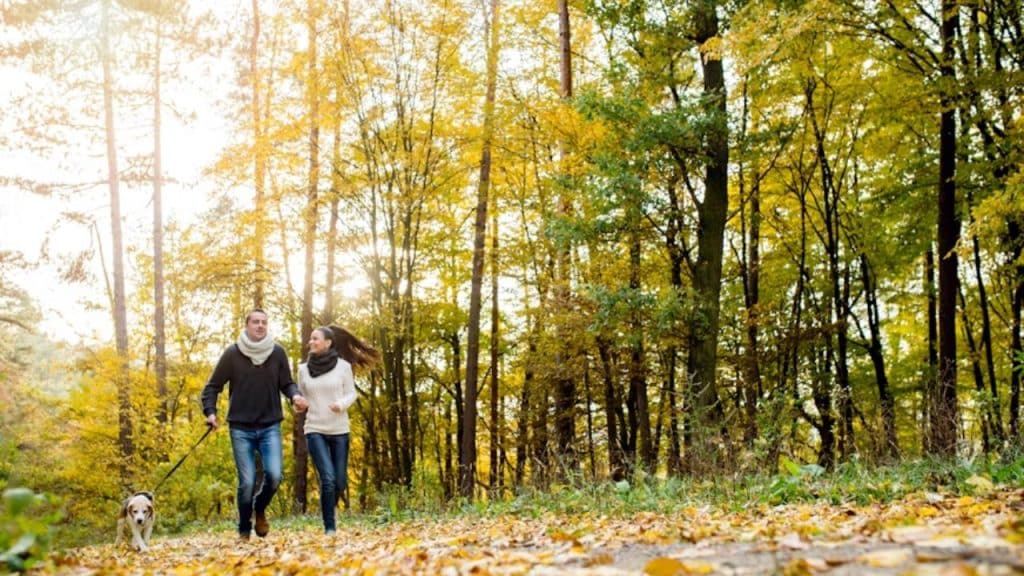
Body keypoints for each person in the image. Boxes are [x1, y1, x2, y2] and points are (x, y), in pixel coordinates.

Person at [201, 308, 309, 541]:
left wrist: (295, 396)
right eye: (255, 322)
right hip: (240, 428)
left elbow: (287, 383)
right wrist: (210, 412)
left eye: (264, 322)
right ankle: (243, 527)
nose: (260, 326)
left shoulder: (277, 353)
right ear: (247, 325)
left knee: (275, 475)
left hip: (270, 425)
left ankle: (259, 509)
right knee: (247, 481)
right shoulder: (233, 353)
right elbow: (213, 386)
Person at [298, 324, 380, 535]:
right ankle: (330, 527)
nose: (311, 342)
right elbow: (301, 397)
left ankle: (329, 508)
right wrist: (298, 404)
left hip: (339, 430)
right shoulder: (303, 369)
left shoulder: (343, 367)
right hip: (314, 428)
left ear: (328, 343)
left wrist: (340, 405)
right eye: (311, 339)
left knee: (340, 482)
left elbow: (351, 393)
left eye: (315, 339)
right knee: (328, 478)